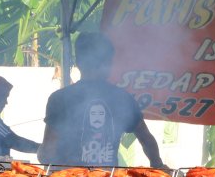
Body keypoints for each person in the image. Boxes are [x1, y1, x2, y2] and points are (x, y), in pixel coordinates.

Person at [38, 32, 166, 169]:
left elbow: (48, 153)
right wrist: (158, 164)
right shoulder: (122, 98)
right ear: (108, 63)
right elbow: (146, 139)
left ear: (78, 62)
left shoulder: (59, 99)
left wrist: (40, 153)